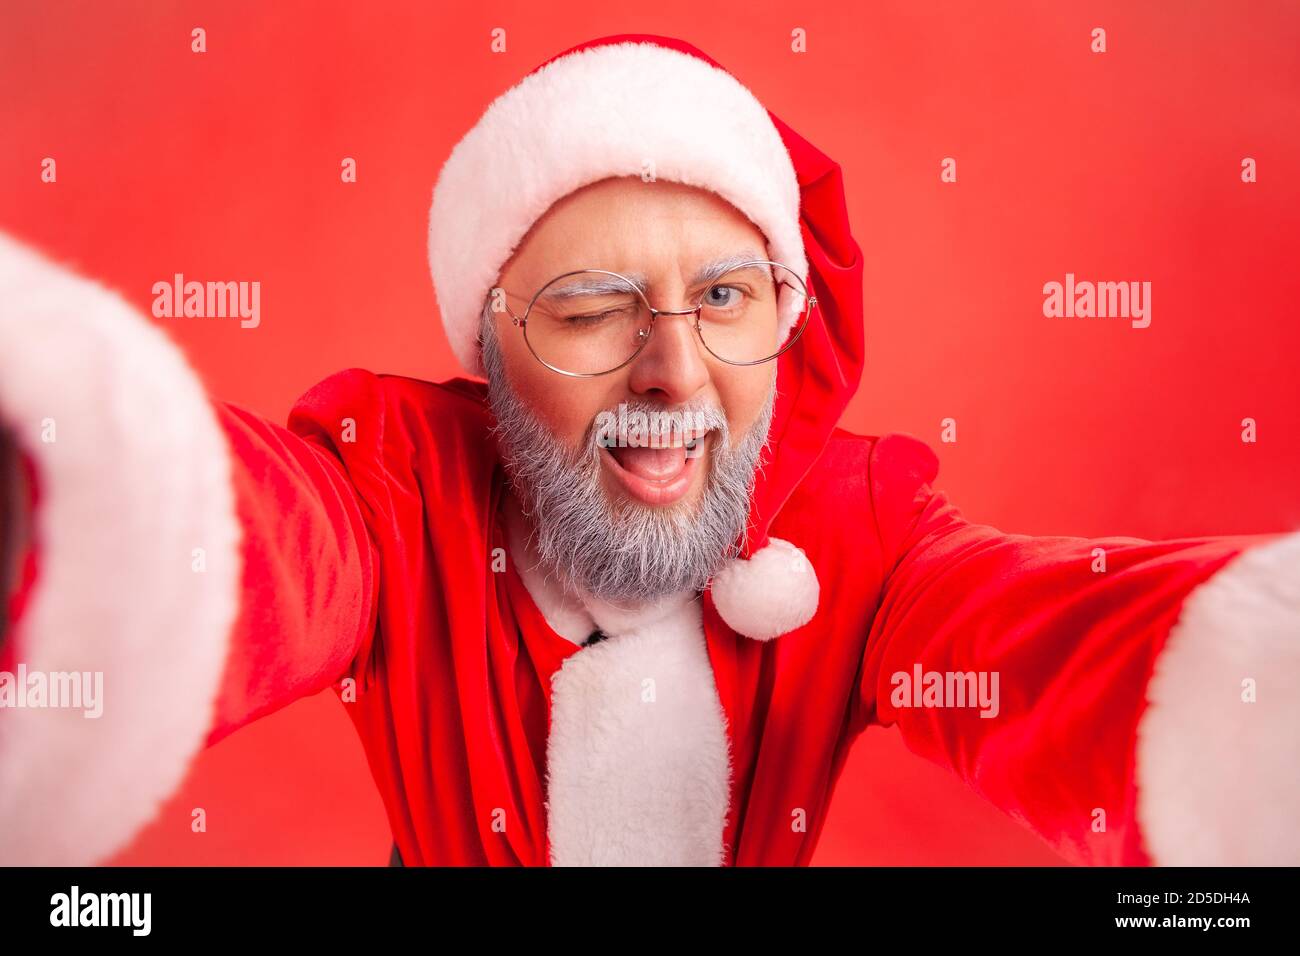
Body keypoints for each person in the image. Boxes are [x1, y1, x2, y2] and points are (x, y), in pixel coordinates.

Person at [0, 34, 1296, 868]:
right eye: (591, 310)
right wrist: (60, 499)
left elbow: (1038, 640)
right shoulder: (401, 486)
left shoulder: (857, 532)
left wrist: (1253, 681)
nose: (673, 372)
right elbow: (260, 544)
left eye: (724, 300)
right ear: (494, 347)